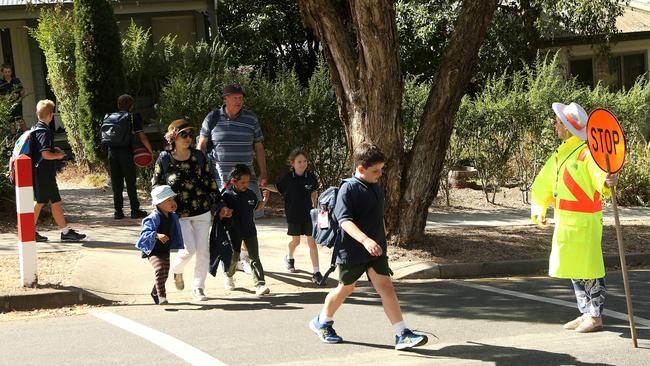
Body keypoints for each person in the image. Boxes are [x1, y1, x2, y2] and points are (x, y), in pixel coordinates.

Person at [308, 142, 427, 350]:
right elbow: (345, 221)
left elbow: (377, 217)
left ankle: (402, 334)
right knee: (345, 288)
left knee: (386, 287)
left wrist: (381, 239)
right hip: (352, 250)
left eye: (381, 169)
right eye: (376, 171)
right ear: (361, 169)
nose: (380, 174)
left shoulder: (375, 187)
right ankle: (322, 322)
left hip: (375, 250)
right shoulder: (348, 188)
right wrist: (365, 240)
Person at [531, 102, 618, 333]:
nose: (555, 125)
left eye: (558, 122)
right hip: (566, 220)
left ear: (568, 127)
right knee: (574, 268)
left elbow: (600, 173)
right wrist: (539, 208)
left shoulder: (587, 152)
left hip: (586, 220)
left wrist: (607, 181)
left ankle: (595, 316)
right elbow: (544, 182)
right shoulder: (562, 154)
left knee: (589, 268)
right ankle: (585, 311)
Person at [152, 119, 231, 301]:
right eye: (183, 134)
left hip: (202, 210)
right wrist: (161, 208)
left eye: (190, 134)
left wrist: (220, 205)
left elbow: (210, 182)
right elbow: (156, 185)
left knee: (203, 251)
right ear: (174, 137)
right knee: (189, 250)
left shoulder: (198, 156)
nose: (188, 138)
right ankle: (176, 271)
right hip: (178, 214)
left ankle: (199, 287)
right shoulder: (164, 158)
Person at [198, 82, 268, 269]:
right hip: (222, 179)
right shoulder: (212, 118)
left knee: (248, 218)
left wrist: (263, 173)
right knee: (226, 217)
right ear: (225, 99)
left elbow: (259, 147)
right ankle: (229, 257)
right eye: (235, 98)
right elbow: (202, 145)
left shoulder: (251, 119)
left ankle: (244, 257)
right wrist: (200, 171)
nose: (239, 101)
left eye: (241, 98)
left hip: (247, 178)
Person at [31, 99, 86, 242]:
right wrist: (58, 155)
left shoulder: (36, 128)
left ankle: (65, 232)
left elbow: (41, 150)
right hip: (44, 173)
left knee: (52, 201)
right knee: (42, 202)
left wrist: (53, 149)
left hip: (41, 172)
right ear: (50, 115)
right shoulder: (44, 132)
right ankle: (29, 231)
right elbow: (45, 154)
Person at [222, 164, 270, 297]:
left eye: (248, 182)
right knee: (234, 257)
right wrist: (225, 212)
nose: (246, 184)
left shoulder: (251, 194)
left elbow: (256, 207)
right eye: (242, 182)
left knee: (255, 257)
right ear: (234, 181)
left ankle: (260, 284)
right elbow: (221, 211)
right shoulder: (227, 196)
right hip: (233, 232)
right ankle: (229, 275)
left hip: (250, 230)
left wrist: (264, 201)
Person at [276, 148, 323, 284]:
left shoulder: (311, 177)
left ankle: (316, 272)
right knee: (295, 242)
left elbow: (314, 191)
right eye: (299, 161)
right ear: (292, 163)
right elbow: (278, 188)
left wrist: (315, 205)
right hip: (293, 215)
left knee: (312, 242)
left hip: (309, 215)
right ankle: (289, 257)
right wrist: (265, 187)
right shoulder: (288, 178)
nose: (302, 164)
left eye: (304, 161)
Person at [135, 185, 184, 305]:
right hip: (152, 249)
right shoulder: (153, 217)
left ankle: (154, 292)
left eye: (173, 199)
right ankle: (162, 296)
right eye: (169, 200)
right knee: (159, 268)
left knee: (164, 274)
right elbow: (145, 233)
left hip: (164, 249)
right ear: (159, 203)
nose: (172, 202)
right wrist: (157, 235)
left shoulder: (172, 215)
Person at [107, 94, 153, 220]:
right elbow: (142, 137)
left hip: (111, 152)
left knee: (116, 183)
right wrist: (150, 152)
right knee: (130, 182)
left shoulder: (110, 117)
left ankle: (118, 212)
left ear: (118, 105)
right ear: (132, 106)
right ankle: (134, 210)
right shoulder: (133, 117)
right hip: (126, 152)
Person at [0, 63, 26, 133]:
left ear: (11, 72)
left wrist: (19, 95)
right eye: (6, 72)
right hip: (7, 105)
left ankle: (27, 137)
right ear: (2, 72)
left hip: (17, 103)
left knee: (20, 119)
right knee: (11, 122)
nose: (8, 74)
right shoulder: (0, 82)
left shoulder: (16, 80)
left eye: (9, 72)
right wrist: (5, 97)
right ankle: (13, 139)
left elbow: (22, 90)